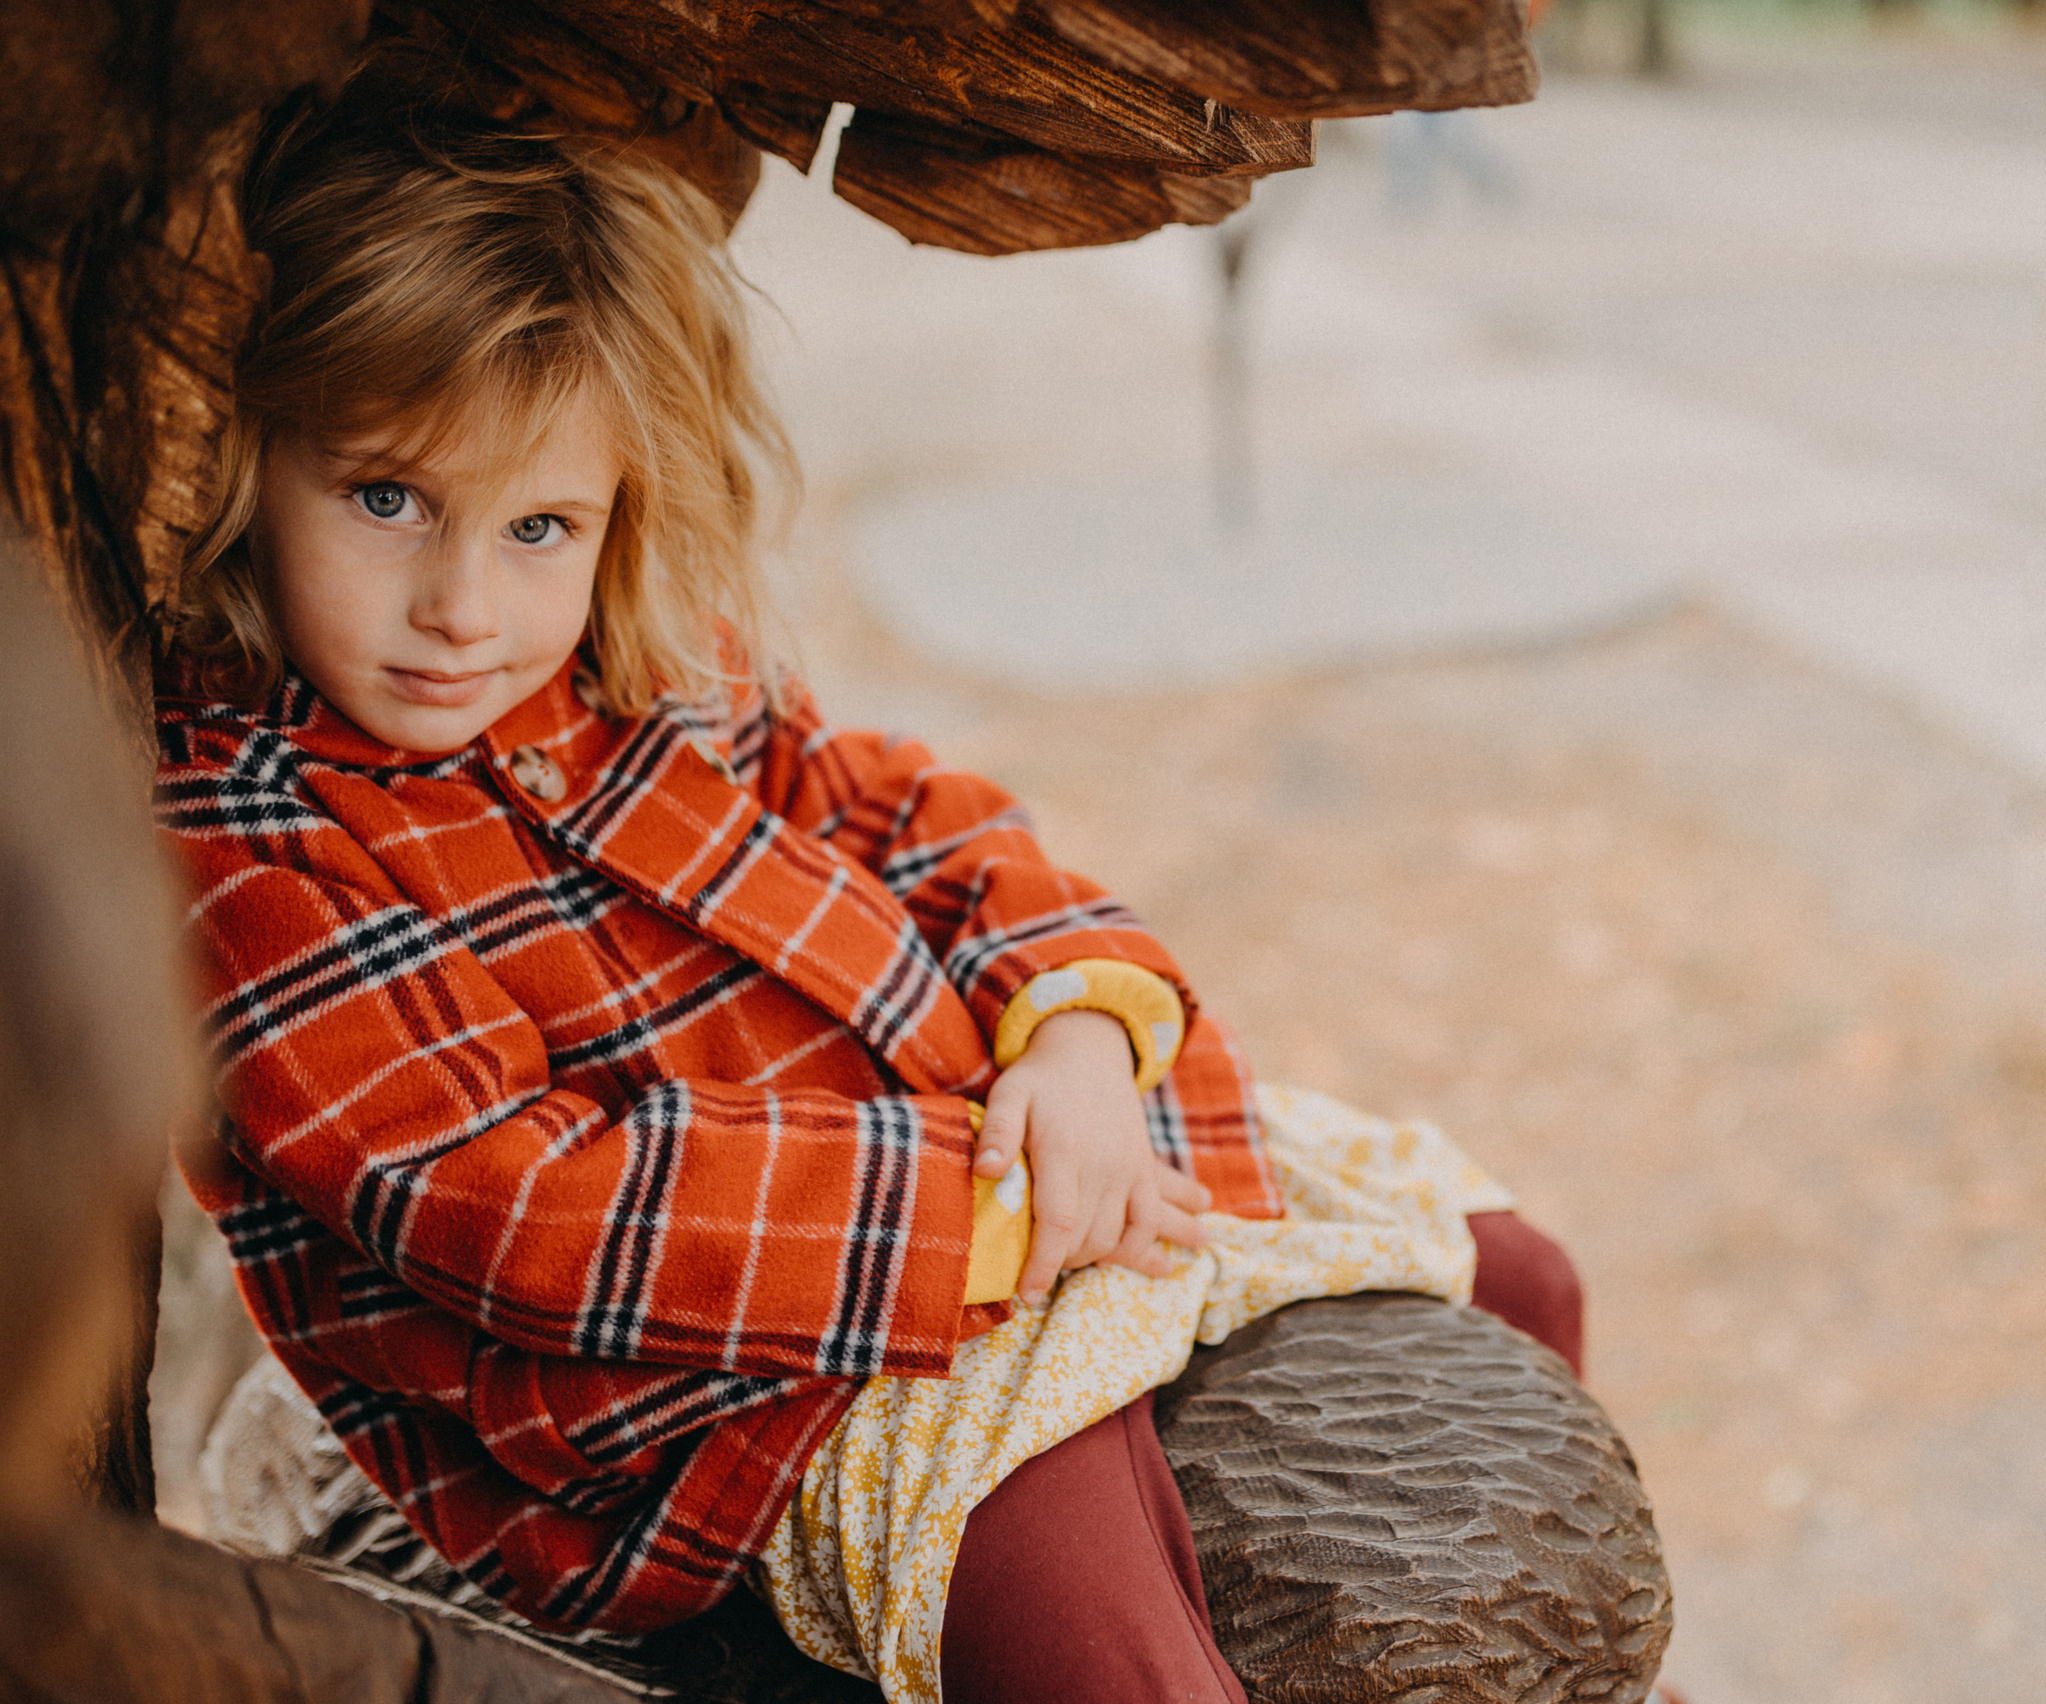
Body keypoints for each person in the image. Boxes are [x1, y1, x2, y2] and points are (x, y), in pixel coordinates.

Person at [154, 71, 1585, 1704]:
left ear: (621, 508)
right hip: (707, 1390)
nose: (463, 605)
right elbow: (512, 1209)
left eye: (539, 523)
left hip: (993, 1157)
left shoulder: (651, 665)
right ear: (246, 459)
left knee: (1512, 1271)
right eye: (388, 499)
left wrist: (1077, 1041)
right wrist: (988, 1205)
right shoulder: (246, 832)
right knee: (1093, 1612)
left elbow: (916, 817)